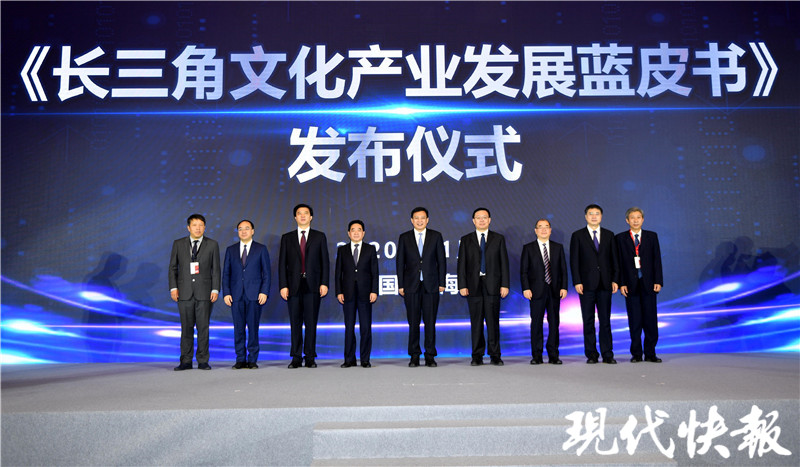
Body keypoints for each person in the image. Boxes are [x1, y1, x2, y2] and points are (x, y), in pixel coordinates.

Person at [279, 204, 330, 368]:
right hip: (293, 286)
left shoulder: (319, 236)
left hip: (313, 285)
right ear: (295, 217)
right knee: (295, 323)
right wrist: (283, 285)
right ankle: (296, 357)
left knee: (311, 322)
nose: (302, 216)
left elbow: (325, 262)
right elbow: (282, 264)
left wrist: (324, 283)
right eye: (299, 213)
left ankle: (310, 357)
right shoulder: (287, 238)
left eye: (306, 213)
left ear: (311, 217)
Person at [457, 207, 509, 366]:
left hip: (493, 285)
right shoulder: (466, 239)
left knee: (493, 322)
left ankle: (495, 355)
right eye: (478, 217)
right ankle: (477, 355)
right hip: (473, 286)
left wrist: (505, 284)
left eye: (484, 217)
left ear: (489, 220)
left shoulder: (498, 238)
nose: (481, 220)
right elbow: (462, 264)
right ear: (473, 221)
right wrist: (462, 285)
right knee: (476, 322)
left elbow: (504, 263)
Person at [168, 214, 221, 371]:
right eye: (195, 225)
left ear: (205, 227)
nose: (198, 228)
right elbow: (173, 267)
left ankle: (203, 360)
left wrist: (215, 289)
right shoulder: (178, 244)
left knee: (203, 328)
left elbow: (216, 269)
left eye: (201, 225)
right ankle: (186, 360)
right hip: (184, 292)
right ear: (188, 227)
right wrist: (173, 287)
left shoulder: (212, 244)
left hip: (204, 292)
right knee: (186, 327)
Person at [396, 207, 447, 367]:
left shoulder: (436, 236)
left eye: (422, 218)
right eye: (416, 218)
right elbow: (400, 263)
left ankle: (430, 355)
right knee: (413, 322)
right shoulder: (404, 237)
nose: (419, 221)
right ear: (412, 220)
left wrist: (442, 282)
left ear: (427, 220)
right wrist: (401, 285)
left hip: (431, 285)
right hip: (411, 285)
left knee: (430, 322)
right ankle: (414, 355)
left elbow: (441, 261)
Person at [569, 204, 620, 364]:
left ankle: (607, 354)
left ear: (601, 216)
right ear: (586, 216)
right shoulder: (577, 235)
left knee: (605, 321)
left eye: (597, 213)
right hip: (586, 285)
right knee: (588, 320)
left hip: (605, 283)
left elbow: (615, 260)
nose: (594, 216)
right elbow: (574, 261)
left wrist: (615, 279)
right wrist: (577, 281)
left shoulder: (609, 235)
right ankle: (591, 354)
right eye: (591, 213)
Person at [616, 207, 664, 363]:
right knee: (634, 320)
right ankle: (636, 353)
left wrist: (658, 281)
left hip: (649, 283)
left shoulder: (651, 236)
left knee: (650, 319)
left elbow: (657, 260)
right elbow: (618, 263)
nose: (635, 220)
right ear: (627, 220)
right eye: (632, 217)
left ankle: (650, 353)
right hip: (630, 284)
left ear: (643, 219)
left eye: (638, 217)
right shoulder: (620, 238)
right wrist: (621, 283)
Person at [222, 219, 271, 370]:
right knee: (238, 328)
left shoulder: (261, 249)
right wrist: (226, 293)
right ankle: (240, 359)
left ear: (252, 231)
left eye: (247, 228)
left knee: (253, 328)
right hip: (236, 295)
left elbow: (267, 273)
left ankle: (252, 359)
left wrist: (264, 292)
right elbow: (226, 274)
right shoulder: (231, 250)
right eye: (240, 229)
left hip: (254, 295)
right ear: (238, 232)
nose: (243, 231)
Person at [520, 219, 568, 365]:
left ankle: (553, 355)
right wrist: (526, 288)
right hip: (535, 291)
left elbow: (563, 270)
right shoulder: (528, 248)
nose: (543, 230)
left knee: (554, 323)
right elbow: (523, 271)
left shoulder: (558, 247)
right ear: (535, 230)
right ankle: (537, 355)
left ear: (550, 230)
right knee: (536, 323)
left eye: (546, 227)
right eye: (540, 227)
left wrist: (564, 287)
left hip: (554, 290)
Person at [334, 220, 379, 368]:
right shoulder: (342, 250)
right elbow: (338, 273)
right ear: (348, 233)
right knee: (349, 327)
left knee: (365, 327)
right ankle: (349, 359)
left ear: (363, 233)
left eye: (359, 230)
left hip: (365, 293)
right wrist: (339, 291)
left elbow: (375, 272)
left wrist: (374, 290)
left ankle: (365, 359)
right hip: (347, 294)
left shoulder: (370, 249)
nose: (356, 232)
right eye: (353, 230)